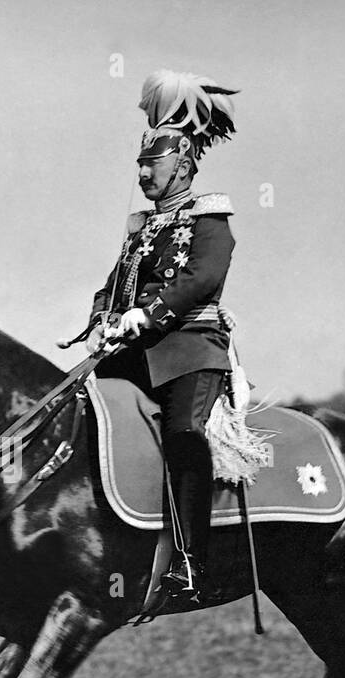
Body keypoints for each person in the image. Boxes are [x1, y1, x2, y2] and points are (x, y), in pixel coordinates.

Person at [87, 69, 239, 600]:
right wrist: (102, 319)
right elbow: (113, 284)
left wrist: (147, 315)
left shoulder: (209, 218)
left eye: (152, 163)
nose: (143, 173)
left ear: (182, 164)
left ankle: (192, 562)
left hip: (190, 352)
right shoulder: (141, 227)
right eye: (140, 163)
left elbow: (203, 278)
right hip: (133, 355)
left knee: (181, 435)